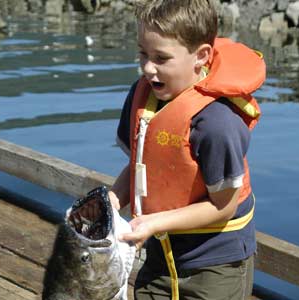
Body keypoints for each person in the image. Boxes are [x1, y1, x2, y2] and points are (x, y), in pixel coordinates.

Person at [71, 0, 265, 299]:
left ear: (201, 56)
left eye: (161, 58)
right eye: (143, 54)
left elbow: (223, 205)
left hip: (215, 266)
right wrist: (112, 200)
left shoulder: (217, 123)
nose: (149, 68)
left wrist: (153, 222)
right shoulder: (143, 96)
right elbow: (140, 164)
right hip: (160, 253)